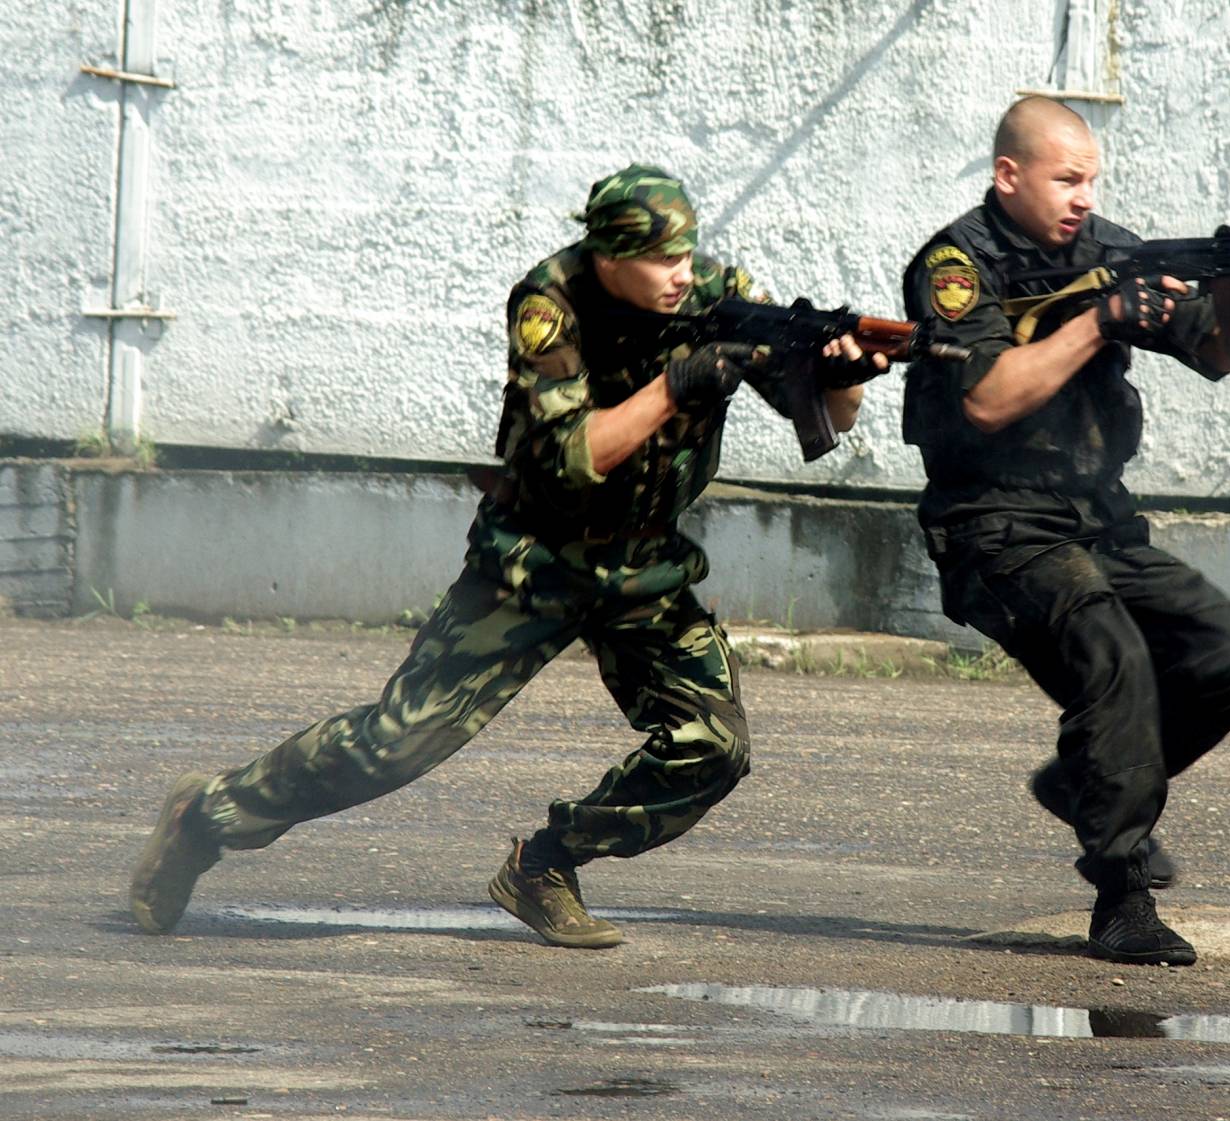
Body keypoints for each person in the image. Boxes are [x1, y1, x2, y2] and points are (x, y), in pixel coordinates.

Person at [130, 164, 883, 948]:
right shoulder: (549, 305)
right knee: (394, 743)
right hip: (533, 559)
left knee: (713, 747)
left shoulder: (716, 295)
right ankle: (207, 813)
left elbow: (829, 421)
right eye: (662, 260)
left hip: (642, 566)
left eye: (688, 254)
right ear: (606, 258)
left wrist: (841, 378)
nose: (682, 274)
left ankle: (545, 864)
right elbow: (572, 456)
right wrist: (675, 385)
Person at [901, 98, 1230, 966]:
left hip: (1098, 517)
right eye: (1066, 178)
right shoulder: (958, 264)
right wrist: (1098, 319)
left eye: (1092, 180)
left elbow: (1223, 353)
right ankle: (1122, 897)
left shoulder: (1113, 251)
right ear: (1008, 176)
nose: (1082, 197)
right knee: (1114, 657)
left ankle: (1083, 783)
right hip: (996, 524)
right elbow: (985, 399)